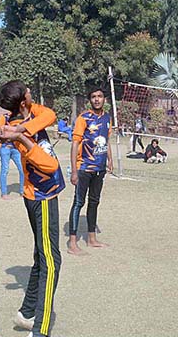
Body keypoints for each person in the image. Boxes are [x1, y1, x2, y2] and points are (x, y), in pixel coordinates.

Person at [0, 80, 64, 337]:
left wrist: (24, 128)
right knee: (52, 262)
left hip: (41, 196)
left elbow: (50, 114)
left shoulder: (28, 116)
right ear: (23, 100)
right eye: (28, 92)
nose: (31, 93)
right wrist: (22, 135)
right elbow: (49, 166)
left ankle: (26, 314)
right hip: (41, 198)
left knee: (42, 257)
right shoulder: (13, 128)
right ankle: (40, 330)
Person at [68, 85, 114, 256]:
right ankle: (72, 242)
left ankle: (92, 238)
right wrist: (74, 171)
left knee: (94, 202)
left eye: (100, 96)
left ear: (104, 99)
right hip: (84, 168)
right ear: (90, 100)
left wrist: (109, 159)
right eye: (93, 96)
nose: (97, 99)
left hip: (99, 169)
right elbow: (74, 144)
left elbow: (106, 140)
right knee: (79, 203)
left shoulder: (107, 118)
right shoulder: (83, 118)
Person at [0, 114, 25, 200]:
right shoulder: (4, 117)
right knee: (5, 170)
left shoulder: (19, 117)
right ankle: (4, 193)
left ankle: (22, 191)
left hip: (16, 149)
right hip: (5, 148)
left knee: (22, 169)